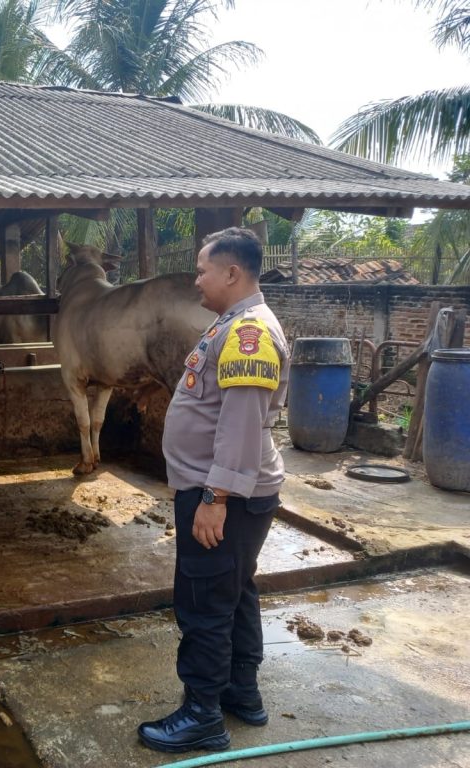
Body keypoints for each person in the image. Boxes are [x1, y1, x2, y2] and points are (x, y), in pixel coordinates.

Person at [138, 227, 291, 753]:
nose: (196, 279)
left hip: (223, 494)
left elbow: (242, 424)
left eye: (203, 270)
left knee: (204, 600)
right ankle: (240, 693)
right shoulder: (229, 325)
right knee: (235, 590)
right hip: (225, 489)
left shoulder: (249, 333)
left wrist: (214, 498)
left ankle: (202, 714)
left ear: (232, 273)